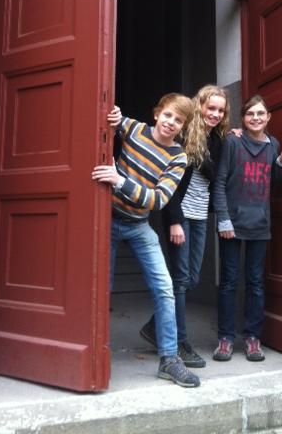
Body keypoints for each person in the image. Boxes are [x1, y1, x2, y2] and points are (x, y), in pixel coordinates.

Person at [91, 94, 201, 388]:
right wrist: (112, 112)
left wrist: (119, 180)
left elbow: (158, 200)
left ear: (183, 126)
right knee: (102, 288)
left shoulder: (178, 157)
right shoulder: (135, 129)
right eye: (168, 115)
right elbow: (109, 117)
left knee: (165, 290)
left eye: (178, 120)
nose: (171, 122)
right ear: (157, 114)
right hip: (107, 219)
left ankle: (170, 360)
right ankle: (91, 353)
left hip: (139, 226)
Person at [139, 85, 230, 368]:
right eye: (210, 108)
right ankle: (179, 341)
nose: (215, 114)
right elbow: (170, 186)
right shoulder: (183, 134)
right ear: (198, 106)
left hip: (200, 215)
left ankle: (155, 327)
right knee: (180, 280)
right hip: (179, 215)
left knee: (191, 278)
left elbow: (217, 175)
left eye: (220, 110)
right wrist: (175, 221)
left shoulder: (218, 139)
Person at [212, 94, 282, 363]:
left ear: (268, 117)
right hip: (232, 223)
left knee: (256, 283)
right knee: (229, 282)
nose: (256, 118)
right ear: (243, 118)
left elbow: (273, 182)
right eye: (250, 114)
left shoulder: (273, 145)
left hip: (260, 223)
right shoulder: (233, 142)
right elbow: (220, 181)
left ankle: (252, 338)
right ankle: (225, 338)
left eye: (260, 114)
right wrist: (223, 219)